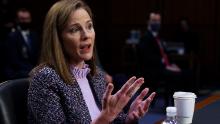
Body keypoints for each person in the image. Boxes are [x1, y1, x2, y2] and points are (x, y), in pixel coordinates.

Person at [27, 0, 156, 123]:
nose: (86, 35)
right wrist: (104, 120)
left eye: (89, 26)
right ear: (57, 39)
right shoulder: (45, 79)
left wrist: (129, 118)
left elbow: (112, 119)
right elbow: (105, 119)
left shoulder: (96, 75)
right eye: (75, 29)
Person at [138, 12, 192, 106]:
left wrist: (172, 64)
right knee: (176, 74)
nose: (157, 23)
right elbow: (148, 59)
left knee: (187, 72)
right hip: (153, 69)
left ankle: (183, 102)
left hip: (162, 66)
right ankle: (171, 104)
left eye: (158, 20)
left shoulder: (159, 37)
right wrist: (167, 66)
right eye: (154, 20)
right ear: (148, 22)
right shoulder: (145, 38)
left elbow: (165, 54)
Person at [4, 8, 40, 80]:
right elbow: (13, 61)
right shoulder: (11, 37)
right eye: (22, 19)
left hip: (35, 73)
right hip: (20, 75)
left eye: (27, 19)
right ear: (17, 20)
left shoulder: (34, 35)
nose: (25, 21)